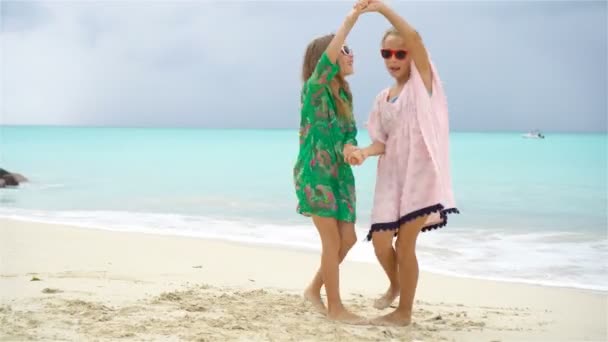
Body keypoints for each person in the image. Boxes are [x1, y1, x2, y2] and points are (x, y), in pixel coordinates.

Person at [348, 0, 459, 326]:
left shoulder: (424, 85)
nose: (393, 59)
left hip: (421, 176)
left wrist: (381, 8)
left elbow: (415, 38)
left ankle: (404, 312)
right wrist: (363, 152)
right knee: (382, 242)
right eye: (386, 54)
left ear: (411, 54)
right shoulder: (383, 97)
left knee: (406, 243)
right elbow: (382, 141)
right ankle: (396, 284)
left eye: (400, 53)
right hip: (392, 178)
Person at [293, 0, 369, 324]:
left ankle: (313, 290)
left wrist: (353, 150)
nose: (350, 54)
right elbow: (328, 58)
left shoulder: (346, 95)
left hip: (340, 174)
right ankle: (335, 307)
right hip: (316, 173)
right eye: (345, 49)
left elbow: (348, 134)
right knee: (332, 240)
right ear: (328, 59)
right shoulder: (314, 89)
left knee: (348, 239)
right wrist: (350, 20)